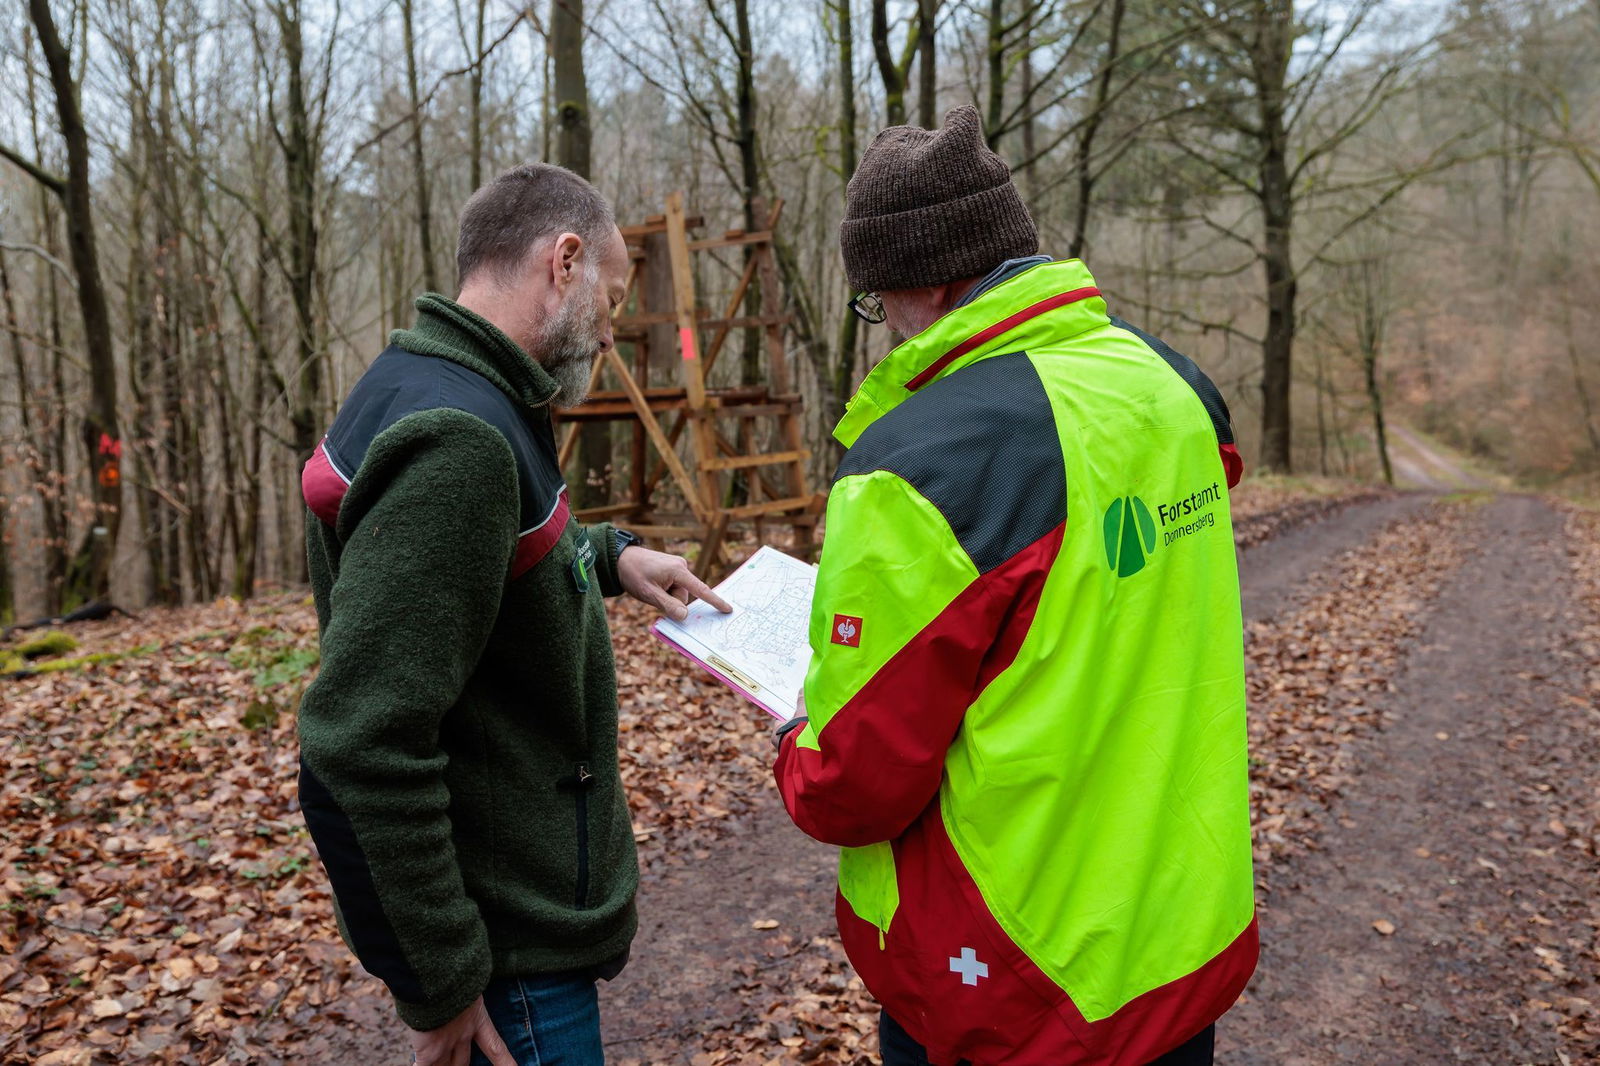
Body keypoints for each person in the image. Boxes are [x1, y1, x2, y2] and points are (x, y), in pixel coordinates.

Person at [772, 105, 1255, 1066]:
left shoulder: (920, 466)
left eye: (876, 300)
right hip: (1178, 939)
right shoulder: (1169, 386)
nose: (882, 326)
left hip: (1018, 981)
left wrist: (795, 738)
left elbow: (853, 787)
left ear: (926, 282)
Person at [296, 163, 730, 1066]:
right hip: (509, 960)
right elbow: (360, 742)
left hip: (510, 927)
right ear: (563, 262)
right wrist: (441, 980)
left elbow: (479, 563)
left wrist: (610, 555)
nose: (609, 334)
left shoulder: (436, 378)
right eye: (611, 301)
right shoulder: (462, 438)